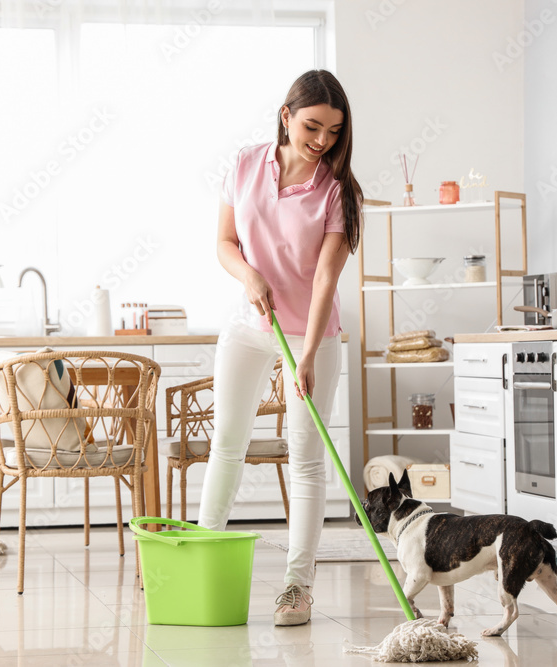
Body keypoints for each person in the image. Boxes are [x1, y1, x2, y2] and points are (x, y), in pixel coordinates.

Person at [199, 69, 362, 626]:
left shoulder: (336, 191)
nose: (321, 140)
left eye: (333, 132)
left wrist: (311, 353)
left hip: (309, 333)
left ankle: (297, 586)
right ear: (285, 115)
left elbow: (324, 281)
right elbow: (223, 242)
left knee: (307, 460)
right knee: (227, 442)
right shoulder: (245, 164)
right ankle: (203, 555)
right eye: (312, 126)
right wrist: (248, 276)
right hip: (250, 322)